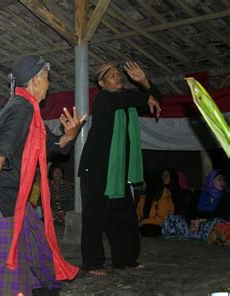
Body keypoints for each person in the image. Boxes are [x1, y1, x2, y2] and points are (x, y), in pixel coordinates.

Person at [0, 55, 84, 295]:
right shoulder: (21, 107)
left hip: (13, 196)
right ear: (35, 81)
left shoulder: (31, 111)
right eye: (47, 79)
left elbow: (51, 144)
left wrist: (70, 134)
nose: (49, 85)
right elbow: (8, 135)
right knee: (4, 268)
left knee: (37, 247)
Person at [78, 61, 163, 275]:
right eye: (112, 75)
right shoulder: (103, 100)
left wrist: (143, 81)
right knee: (94, 220)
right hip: (96, 171)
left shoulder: (126, 104)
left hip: (118, 173)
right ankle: (93, 263)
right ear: (101, 82)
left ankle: (125, 259)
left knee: (124, 219)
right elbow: (129, 98)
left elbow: (156, 100)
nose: (118, 77)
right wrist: (144, 95)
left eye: (119, 74)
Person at [162, 170, 230, 240]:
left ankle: (191, 234)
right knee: (172, 218)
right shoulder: (199, 193)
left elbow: (221, 214)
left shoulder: (225, 196)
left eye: (224, 180)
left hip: (208, 223)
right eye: (219, 179)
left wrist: (201, 220)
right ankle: (192, 233)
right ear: (211, 180)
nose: (222, 182)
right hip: (194, 222)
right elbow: (189, 209)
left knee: (218, 221)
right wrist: (192, 220)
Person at [136, 171, 174, 237]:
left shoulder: (162, 196)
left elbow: (161, 219)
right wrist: (136, 222)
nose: (143, 185)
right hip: (145, 223)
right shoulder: (144, 195)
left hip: (159, 225)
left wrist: (142, 222)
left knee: (148, 230)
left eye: (145, 182)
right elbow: (138, 213)